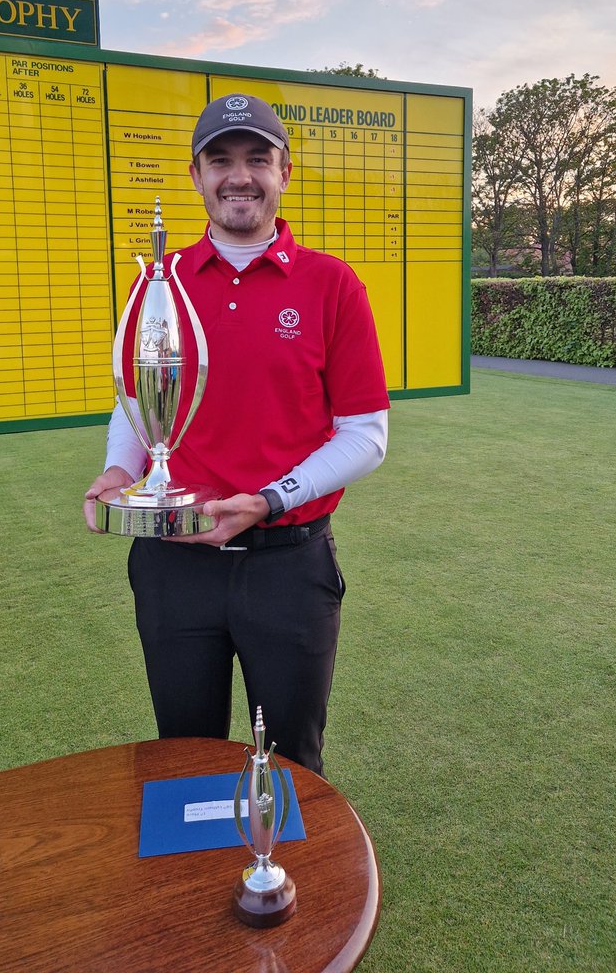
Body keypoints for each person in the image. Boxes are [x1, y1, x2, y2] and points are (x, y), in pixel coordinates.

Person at [84, 92, 389, 775]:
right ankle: (193, 883)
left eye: (258, 158)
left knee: (291, 761)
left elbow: (366, 434)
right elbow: (139, 400)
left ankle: (282, 882)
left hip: (288, 563)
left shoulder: (332, 285)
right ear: (197, 177)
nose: (239, 175)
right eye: (220, 160)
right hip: (173, 565)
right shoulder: (161, 283)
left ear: (285, 172)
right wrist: (115, 472)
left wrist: (267, 499)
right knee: (184, 753)